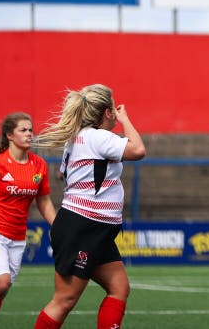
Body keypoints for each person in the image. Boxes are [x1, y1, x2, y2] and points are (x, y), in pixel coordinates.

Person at [33, 84, 147, 329]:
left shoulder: (77, 138)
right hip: (84, 227)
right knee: (64, 300)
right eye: (114, 109)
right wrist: (126, 119)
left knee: (119, 288)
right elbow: (138, 150)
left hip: (94, 229)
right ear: (108, 112)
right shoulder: (99, 137)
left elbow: (64, 175)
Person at [0, 113, 56, 323]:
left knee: (2, 289)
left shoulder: (39, 166)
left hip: (18, 238)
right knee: (1, 282)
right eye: (23, 130)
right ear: (10, 135)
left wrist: (59, 227)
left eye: (30, 130)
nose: (29, 134)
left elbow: (44, 202)